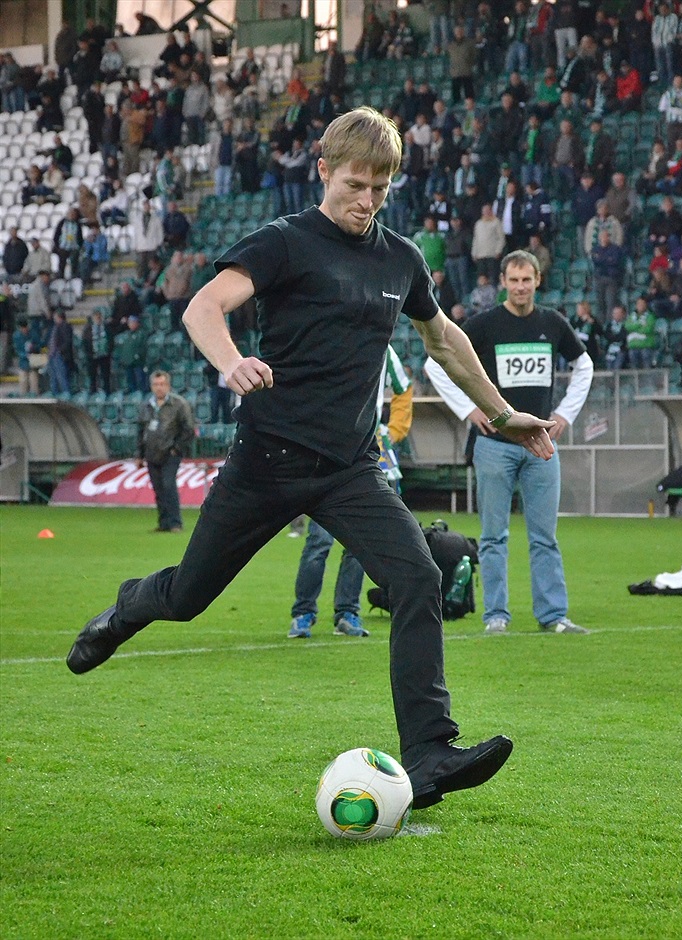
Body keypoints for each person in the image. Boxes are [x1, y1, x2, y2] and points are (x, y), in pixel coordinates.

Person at [66, 107, 558, 811]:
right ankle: (125, 610)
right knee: (188, 597)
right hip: (266, 460)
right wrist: (232, 363)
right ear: (324, 169)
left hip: (350, 468)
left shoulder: (401, 258)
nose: (366, 201)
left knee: (418, 576)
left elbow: (444, 339)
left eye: (380, 190)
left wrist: (505, 416)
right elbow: (205, 308)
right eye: (355, 184)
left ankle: (427, 752)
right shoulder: (284, 243)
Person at [425, 250, 593, 636]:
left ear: (537, 280)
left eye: (527, 279)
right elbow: (435, 363)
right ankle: (496, 616)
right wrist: (469, 410)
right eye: (514, 280)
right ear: (502, 281)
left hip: (541, 445)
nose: (520, 287)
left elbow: (584, 365)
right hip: (495, 444)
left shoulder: (552, 323)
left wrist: (566, 413)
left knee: (545, 536)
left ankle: (554, 616)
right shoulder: (483, 324)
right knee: (493, 536)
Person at [288, 345, 413, 640]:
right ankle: (303, 613)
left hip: (365, 457)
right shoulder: (330, 340)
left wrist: (393, 431)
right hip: (327, 456)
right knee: (319, 541)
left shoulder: (384, 349)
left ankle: (347, 612)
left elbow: (403, 390)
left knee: (359, 545)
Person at [137, 370, 194, 533]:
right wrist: (139, 455)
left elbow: (188, 429)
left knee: (168, 485)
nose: (159, 388)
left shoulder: (179, 404)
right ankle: (164, 523)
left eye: (162, 384)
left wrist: (177, 449)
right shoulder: (146, 406)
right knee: (158, 489)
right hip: (151, 453)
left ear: (168, 386)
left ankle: (175, 523)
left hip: (170, 453)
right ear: (151, 386)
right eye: (156, 385)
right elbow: (140, 430)